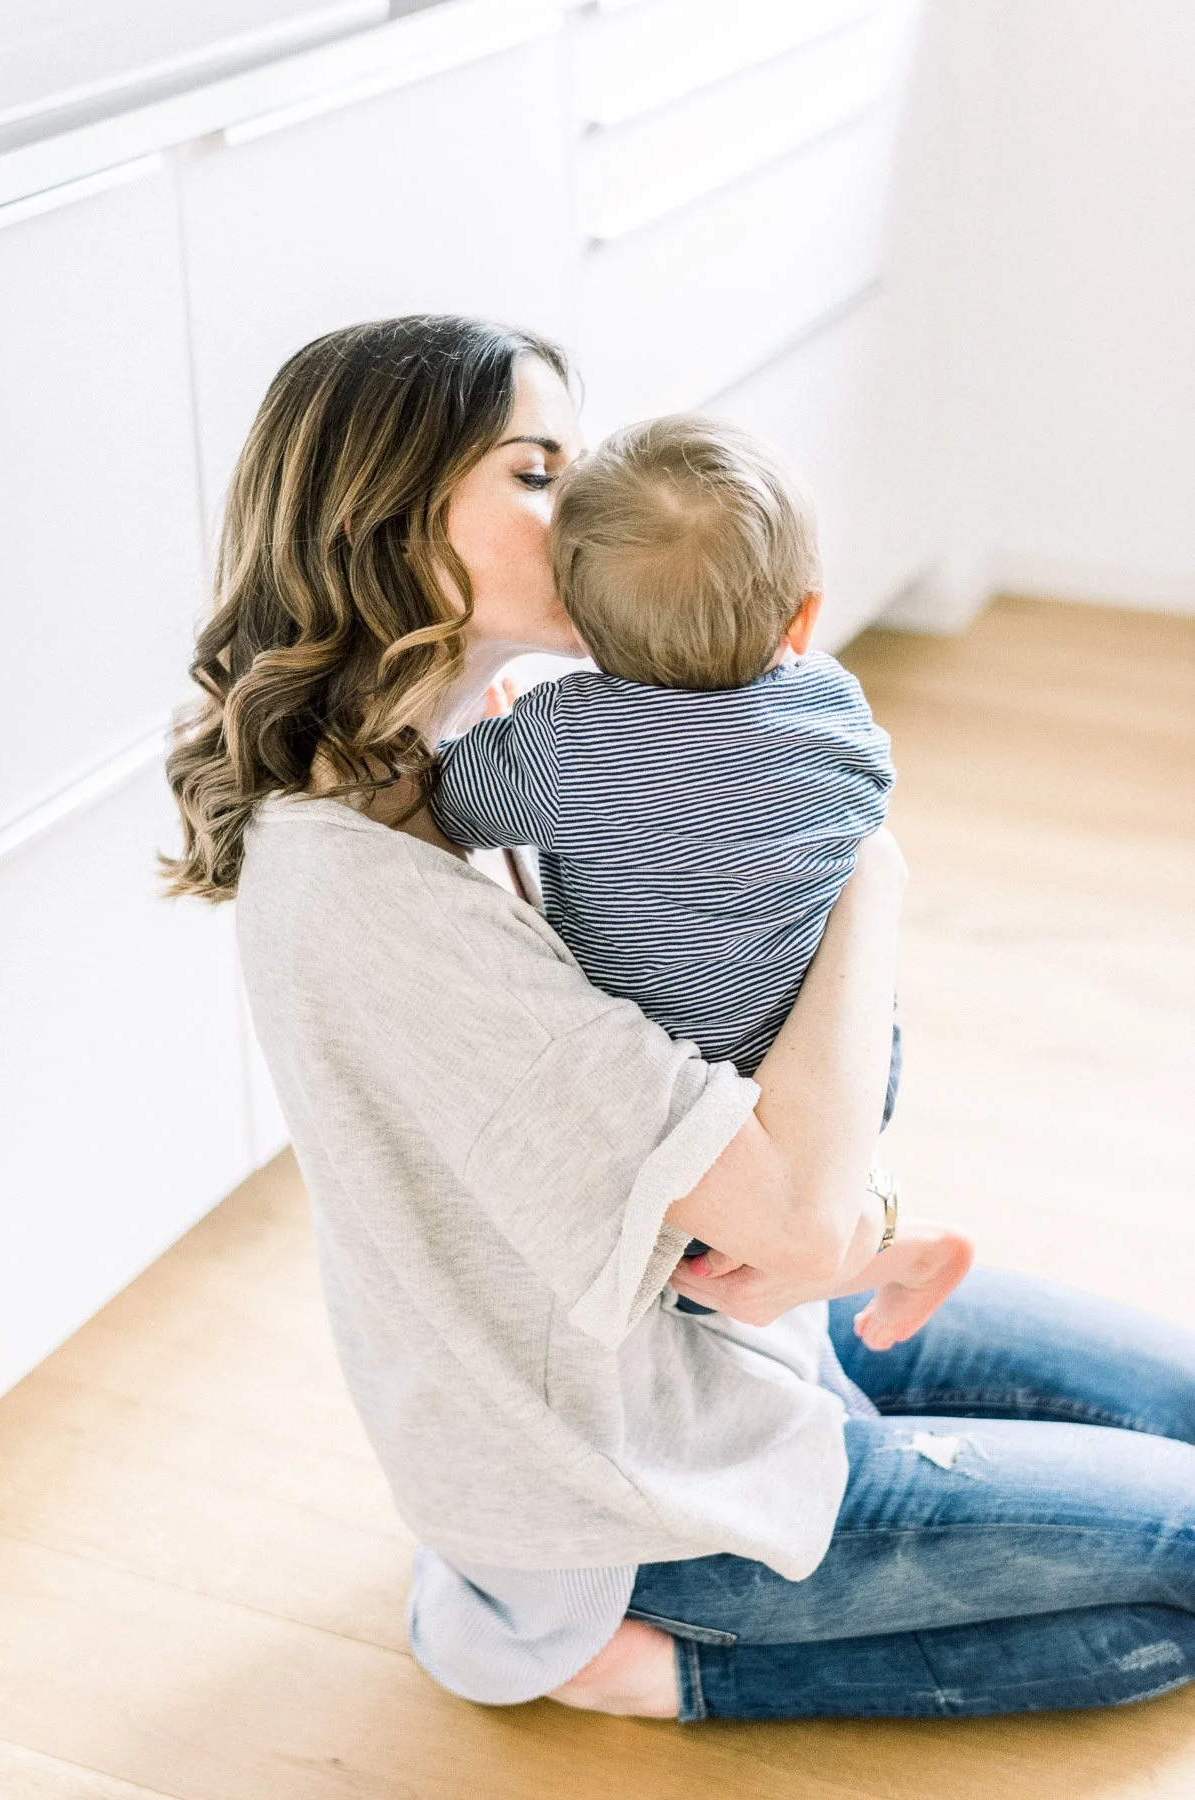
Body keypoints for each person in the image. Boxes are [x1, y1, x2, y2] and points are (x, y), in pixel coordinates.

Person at [163, 314, 1195, 1722]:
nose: (585, 501)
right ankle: (625, 1662)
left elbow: (763, 1165)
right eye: (536, 471)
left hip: (748, 1337)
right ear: (387, 516)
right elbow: (791, 1222)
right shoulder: (364, 891)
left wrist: (863, 1233)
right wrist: (870, 873)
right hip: (640, 1492)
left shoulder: (509, 755)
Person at [430, 413, 970, 1352]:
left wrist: (508, 741)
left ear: (577, 624)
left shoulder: (564, 747)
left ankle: (884, 1249)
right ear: (803, 614)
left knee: (674, 1264)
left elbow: (451, 805)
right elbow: (844, 821)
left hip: (687, 1096)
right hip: (836, 1070)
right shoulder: (834, 710)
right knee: (763, 1236)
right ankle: (883, 1238)